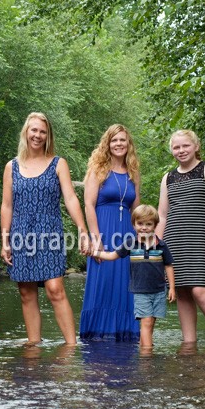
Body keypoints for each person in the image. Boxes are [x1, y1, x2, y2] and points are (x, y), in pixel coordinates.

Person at [0, 112, 89, 345]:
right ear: (26, 132)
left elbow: (70, 198)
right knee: (26, 292)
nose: (37, 135)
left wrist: (82, 229)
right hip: (20, 234)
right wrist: (5, 240)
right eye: (34, 130)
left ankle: (71, 345)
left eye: (42, 131)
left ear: (47, 135)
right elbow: (7, 205)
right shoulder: (12, 166)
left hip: (49, 233)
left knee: (55, 288)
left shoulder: (58, 163)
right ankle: (34, 345)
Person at [155, 129, 205, 345]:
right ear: (172, 150)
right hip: (174, 242)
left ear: (196, 146)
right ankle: (189, 344)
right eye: (176, 147)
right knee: (181, 292)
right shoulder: (168, 178)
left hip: (202, 240)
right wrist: (154, 248)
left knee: (201, 290)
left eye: (185, 146)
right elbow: (162, 216)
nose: (181, 150)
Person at [80, 124, 141, 341]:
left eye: (122, 140)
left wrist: (141, 240)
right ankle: (97, 334)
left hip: (127, 236)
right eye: (114, 140)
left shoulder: (133, 172)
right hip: (104, 232)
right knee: (103, 282)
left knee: (127, 285)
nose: (118, 144)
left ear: (128, 144)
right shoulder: (98, 169)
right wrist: (96, 239)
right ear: (107, 144)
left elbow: (137, 209)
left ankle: (125, 333)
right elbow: (88, 204)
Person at [87, 204, 176, 349]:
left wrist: (171, 287)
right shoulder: (130, 244)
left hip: (159, 291)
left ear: (155, 225)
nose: (144, 227)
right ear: (134, 224)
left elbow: (168, 265)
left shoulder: (161, 245)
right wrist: (94, 253)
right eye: (140, 224)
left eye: (148, 224)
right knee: (146, 322)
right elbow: (111, 255)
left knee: (151, 322)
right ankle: (147, 356)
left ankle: (144, 348)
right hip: (141, 291)